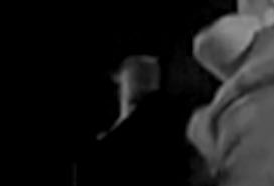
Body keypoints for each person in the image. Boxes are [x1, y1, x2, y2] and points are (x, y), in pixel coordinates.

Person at [76, 55, 196, 186]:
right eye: (139, 69)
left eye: (150, 71)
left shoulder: (169, 132)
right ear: (117, 76)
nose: (145, 78)